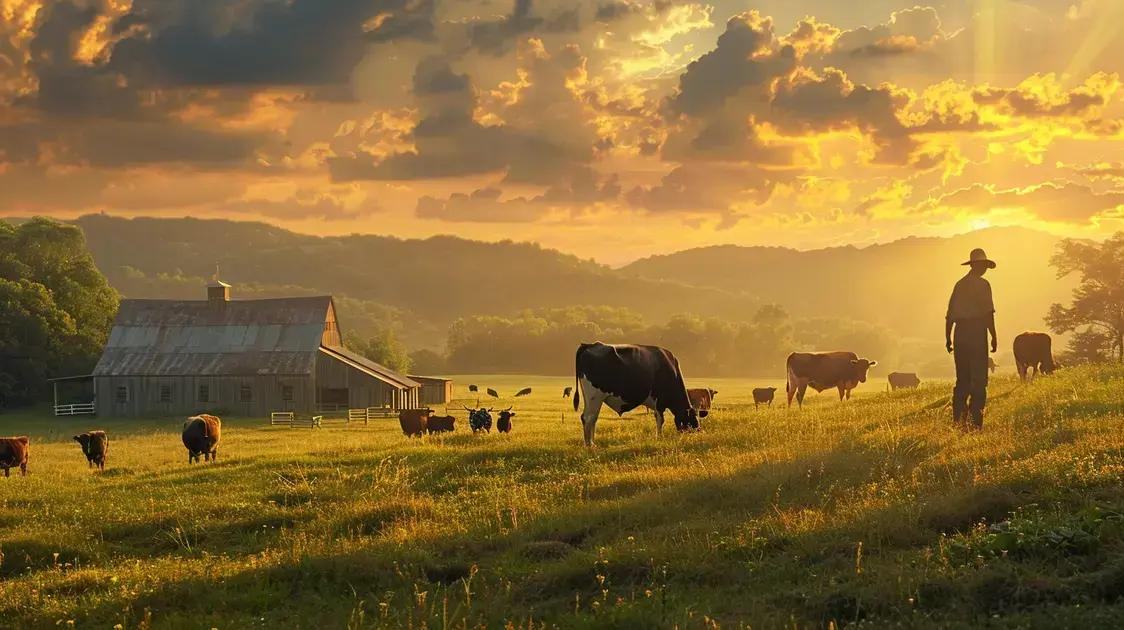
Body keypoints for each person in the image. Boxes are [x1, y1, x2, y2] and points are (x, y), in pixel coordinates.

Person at [945, 248, 998, 429]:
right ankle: (976, 423)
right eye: (983, 266)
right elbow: (988, 313)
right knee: (979, 380)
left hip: (960, 334)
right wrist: (993, 336)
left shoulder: (959, 285)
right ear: (979, 266)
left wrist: (948, 338)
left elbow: (950, 315)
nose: (984, 269)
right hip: (977, 333)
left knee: (962, 380)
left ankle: (958, 420)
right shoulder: (984, 285)